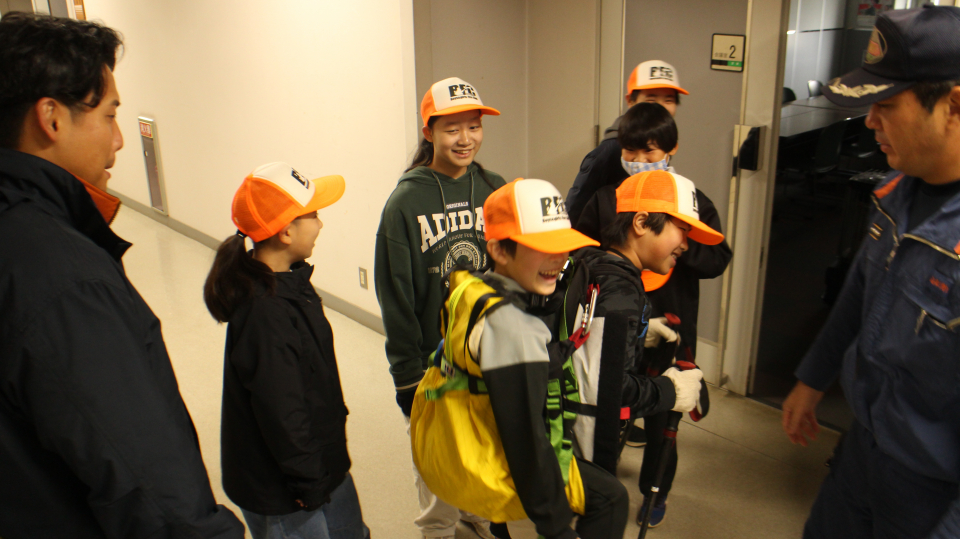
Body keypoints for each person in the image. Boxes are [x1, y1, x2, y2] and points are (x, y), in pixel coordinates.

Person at [0, 13, 244, 538]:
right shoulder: (66, 283)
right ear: (51, 118)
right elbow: (155, 497)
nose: (119, 140)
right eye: (109, 115)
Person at [781, 6, 960, 538]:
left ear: (953, 105)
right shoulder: (896, 191)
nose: (870, 121)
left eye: (886, 104)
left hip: (930, 488)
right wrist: (813, 378)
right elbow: (860, 294)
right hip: (863, 448)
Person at [574, 103, 732, 527]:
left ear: (670, 150)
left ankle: (653, 490)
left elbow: (716, 257)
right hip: (617, 329)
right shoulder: (606, 202)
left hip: (666, 323)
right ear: (640, 222)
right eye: (632, 152)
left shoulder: (692, 200)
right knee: (612, 417)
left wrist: (674, 248)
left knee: (664, 420)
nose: (641, 161)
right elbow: (608, 391)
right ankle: (598, 487)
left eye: (651, 152)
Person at [451, 178, 628, 539]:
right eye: (543, 247)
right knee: (611, 497)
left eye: (562, 246)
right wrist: (557, 528)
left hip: (474, 437)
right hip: (499, 463)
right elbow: (527, 444)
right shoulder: (515, 328)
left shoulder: (473, 287)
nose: (558, 259)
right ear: (499, 250)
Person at [204, 162, 369, 539]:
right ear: (285, 232)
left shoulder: (290, 283)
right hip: (287, 488)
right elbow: (282, 413)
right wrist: (310, 485)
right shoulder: (266, 314)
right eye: (313, 215)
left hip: (320, 464)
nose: (320, 224)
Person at [374, 77, 505, 539]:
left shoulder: (494, 188)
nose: (466, 138)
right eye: (452, 129)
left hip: (487, 358)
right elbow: (396, 297)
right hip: (434, 365)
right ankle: (438, 531)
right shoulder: (405, 202)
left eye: (474, 126)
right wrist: (407, 373)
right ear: (428, 132)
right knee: (436, 465)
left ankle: (479, 519)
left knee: (483, 450)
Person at [570, 170, 720, 481]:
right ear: (640, 222)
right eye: (682, 230)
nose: (686, 245)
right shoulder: (621, 292)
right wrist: (670, 390)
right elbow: (610, 390)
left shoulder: (593, 263)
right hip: (587, 455)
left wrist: (638, 333)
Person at [566, 59, 686, 225]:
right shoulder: (611, 150)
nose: (659, 108)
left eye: (668, 100)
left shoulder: (663, 142)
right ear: (630, 101)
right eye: (651, 99)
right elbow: (576, 210)